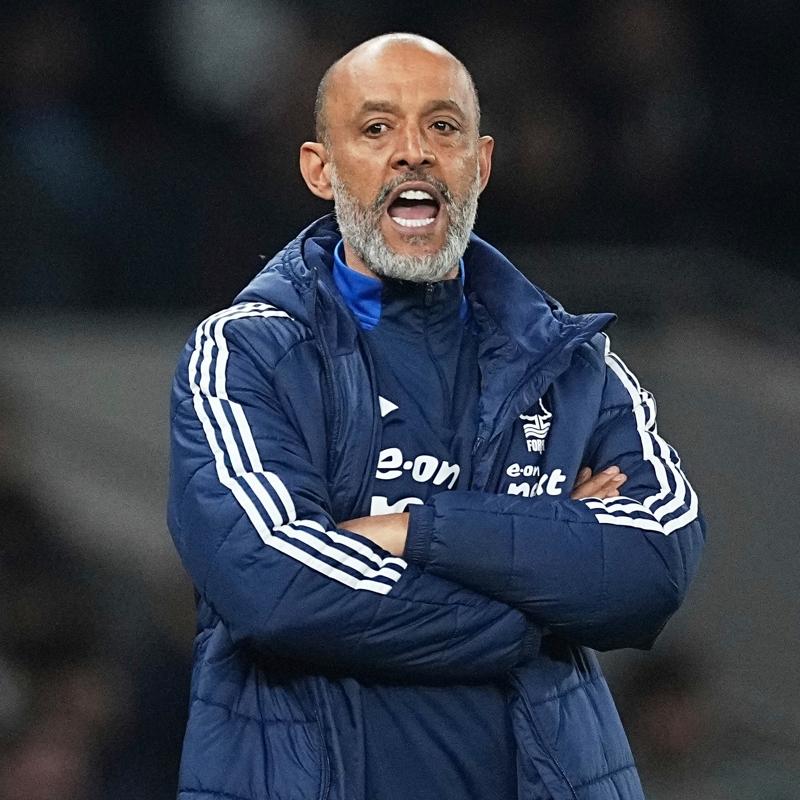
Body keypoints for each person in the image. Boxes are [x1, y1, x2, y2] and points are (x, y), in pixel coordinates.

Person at [167, 33, 705, 800]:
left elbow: (653, 562)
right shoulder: (247, 354)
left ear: (479, 165)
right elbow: (274, 587)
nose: (414, 152)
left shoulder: (572, 366)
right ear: (321, 169)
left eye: (442, 127)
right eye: (376, 128)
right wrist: (535, 604)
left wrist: (412, 530)